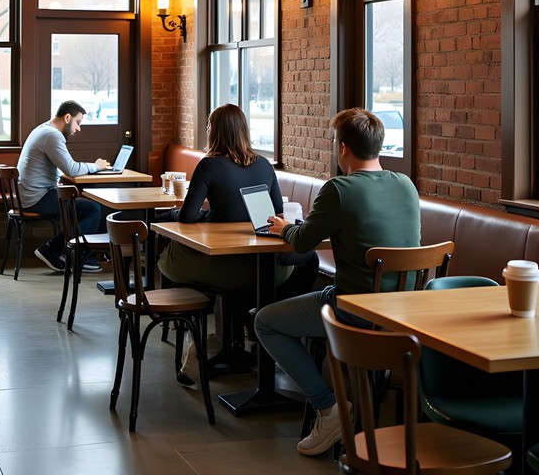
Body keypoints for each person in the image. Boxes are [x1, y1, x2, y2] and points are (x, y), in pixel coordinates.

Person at [253, 108, 420, 457]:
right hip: (405, 312)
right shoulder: (406, 184)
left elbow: (302, 243)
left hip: (355, 310)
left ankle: (329, 409)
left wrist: (285, 227)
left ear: (342, 148)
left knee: (265, 321)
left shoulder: (339, 189)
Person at [157, 104, 318, 384]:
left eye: (208, 126)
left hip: (223, 267)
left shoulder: (209, 165)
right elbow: (277, 211)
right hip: (266, 269)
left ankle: (221, 336)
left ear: (215, 131)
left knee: (169, 255)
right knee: (305, 260)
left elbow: (187, 215)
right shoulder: (263, 164)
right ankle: (254, 326)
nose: (207, 130)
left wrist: (206, 216)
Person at [17, 100, 110, 272]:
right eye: (78, 122)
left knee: (84, 208)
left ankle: (54, 249)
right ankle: (75, 255)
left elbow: (62, 168)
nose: (78, 128)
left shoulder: (43, 129)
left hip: (31, 194)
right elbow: (71, 169)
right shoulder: (52, 135)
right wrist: (97, 166)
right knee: (93, 209)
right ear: (67, 117)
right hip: (37, 198)